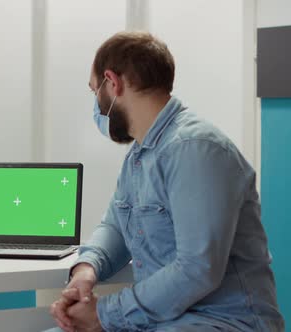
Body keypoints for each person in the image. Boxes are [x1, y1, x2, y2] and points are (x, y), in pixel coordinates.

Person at [49, 32, 284, 331]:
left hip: (222, 322)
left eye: (94, 91)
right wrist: (85, 270)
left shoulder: (196, 149)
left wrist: (104, 314)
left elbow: (197, 269)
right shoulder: (140, 154)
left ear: (112, 82)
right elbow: (116, 227)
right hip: (162, 320)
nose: (96, 106)